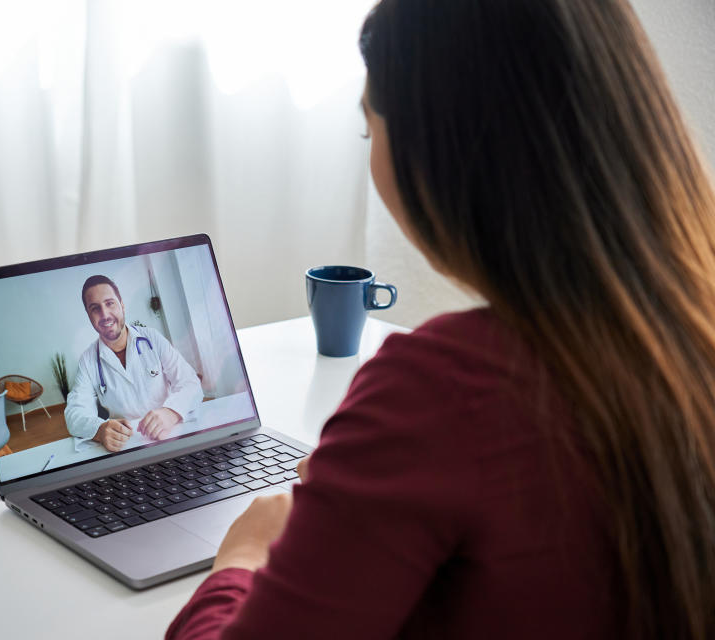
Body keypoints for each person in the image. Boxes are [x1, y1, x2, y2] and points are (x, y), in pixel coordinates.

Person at [166, 1, 715, 638]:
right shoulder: (688, 336)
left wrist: (243, 556)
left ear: (445, 148)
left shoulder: (441, 389)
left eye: (371, 130)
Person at [65, 275, 202, 452]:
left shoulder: (152, 338)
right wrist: (100, 430)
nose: (105, 315)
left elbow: (191, 383)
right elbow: (74, 414)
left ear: (122, 305)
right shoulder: (88, 360)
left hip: (170, 435)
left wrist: (171, 412)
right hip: (128, 446)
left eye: (110, 303)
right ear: (89, 315)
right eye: (95, 308)